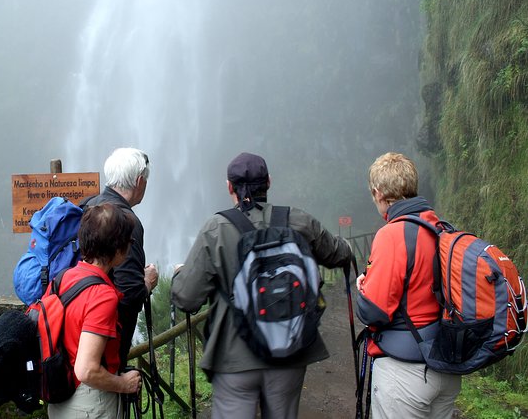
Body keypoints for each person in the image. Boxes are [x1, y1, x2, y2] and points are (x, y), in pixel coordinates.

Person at [171, 152, 352, 419]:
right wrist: (346, 246)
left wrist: (180, 274)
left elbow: (186, 298)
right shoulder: (298, 221)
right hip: (290, 351)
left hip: (234, 359)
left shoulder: (216, 229)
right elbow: (338, 253)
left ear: (230, 187)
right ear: (268, 182)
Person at [356, 152, 461, 419]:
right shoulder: (441, 228)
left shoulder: (392, 234)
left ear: (378, 193)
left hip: (405, 374)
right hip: (445, 368)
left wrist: (364, 289)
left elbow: (374, 311)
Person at [48, 203, 142, 419]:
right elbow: (86, 369)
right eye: (129, 242)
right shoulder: (102, 296)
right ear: (118, 249)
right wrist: (123, 384)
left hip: (61, 399)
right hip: (90, 403)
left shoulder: (64, 278)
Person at [88, 147, 159, 370]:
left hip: (81, 334)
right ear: (139, 181)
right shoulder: (126, 222)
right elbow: (129, 294)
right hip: (107, 348)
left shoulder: (89, 206)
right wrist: (147, 282)